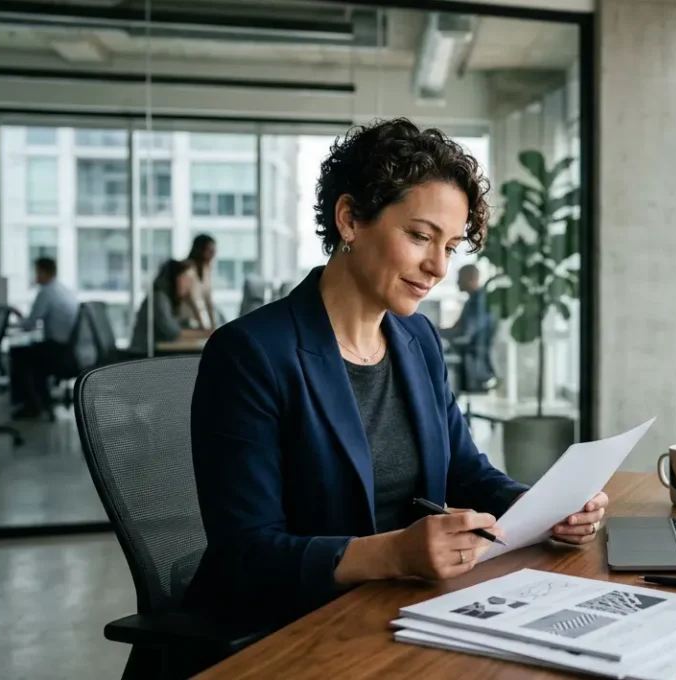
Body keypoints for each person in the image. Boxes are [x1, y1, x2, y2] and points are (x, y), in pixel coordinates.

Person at [184, 119, 606, 628]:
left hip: (405, 608)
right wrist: (393, 554)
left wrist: (542, 508)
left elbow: (465, 472)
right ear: (349, 219)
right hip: (296, 626)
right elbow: (245, 554)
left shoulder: (417, 339)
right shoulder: (250, 354)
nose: (438, 268)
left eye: (450, 247)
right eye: (420, 236)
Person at [10, 257, 78, 420]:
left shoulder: (46, 292)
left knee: (18, 354)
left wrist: (15, 320)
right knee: (30, 353)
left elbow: (30, 324)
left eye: (37, 272)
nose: (35, 276)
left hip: (57, 351)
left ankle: (30, 406)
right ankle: (40, 402)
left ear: (43, 271)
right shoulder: (64, 290)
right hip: (68, 350)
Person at [128, 259, 209, 352]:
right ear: (175, 278)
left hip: (156, 352)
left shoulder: (169, 300)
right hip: (143, 355)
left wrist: (193, 302)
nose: (189, 285)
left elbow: (181, 326)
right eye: (187, 279)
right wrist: (205, 334)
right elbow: (173, 332)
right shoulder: (159, 298)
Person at [441, 264, 496, 391]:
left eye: (460, 278)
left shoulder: (479, 303)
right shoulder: (472, 301)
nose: (457, 282)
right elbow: (457, 328)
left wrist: (436, 332)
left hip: (475, 362)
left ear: (471, 278)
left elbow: (464, 335)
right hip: (471, 358)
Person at [179, 233, 218, 330]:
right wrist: (203, 325)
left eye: (214, 252)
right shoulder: (188, 270)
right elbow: (191, 300)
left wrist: (213, 325)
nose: (212, 255)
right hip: (184, 320)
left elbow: (208, 301)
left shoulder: (206, 270)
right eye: (209, 251)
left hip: (198, 321)